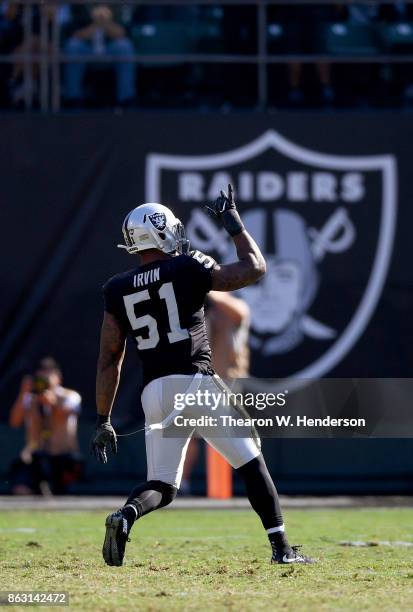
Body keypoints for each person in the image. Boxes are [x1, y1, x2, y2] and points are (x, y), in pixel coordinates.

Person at [91, 185, 314, 566]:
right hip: (196, 381)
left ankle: (126, 515)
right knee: (251, 461)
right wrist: (234, 225)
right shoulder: (187, 265)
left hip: (154, 391)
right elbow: (254, 269)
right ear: (161, 232)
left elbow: (110, 359)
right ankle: (282, 550)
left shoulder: (117, 288)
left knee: (162, 484)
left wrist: (103, 419)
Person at [180, 291, 250, 494]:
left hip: (227, 382)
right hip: (199, 382)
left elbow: (237, 311)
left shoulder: (236, 307)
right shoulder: (202, 312)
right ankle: (180, 485)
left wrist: (207, 287)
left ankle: (224, 489)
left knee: (225, 438)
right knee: (188, 434)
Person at [9, 357, 82, 495]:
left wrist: (52, 402)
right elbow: (14, 422)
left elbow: (66, 413)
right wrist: (23, 393)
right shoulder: (29, 399)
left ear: (58, 378)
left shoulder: (69, 396)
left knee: (65, 492)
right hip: (37, 457)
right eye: (40, 378)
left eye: (47, 378)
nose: (43, 382)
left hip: (63, 458)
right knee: (21, 488)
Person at [63, 4, 135, 106]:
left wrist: (105, 23)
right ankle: (73, 98)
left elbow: (121, 33)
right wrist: (96, 24)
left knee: (125, 46)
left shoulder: (117, 6)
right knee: (73, 46)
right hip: (86, 47)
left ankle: (126, 98)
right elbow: (76, 34)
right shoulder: (80, 6)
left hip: (110, 47)